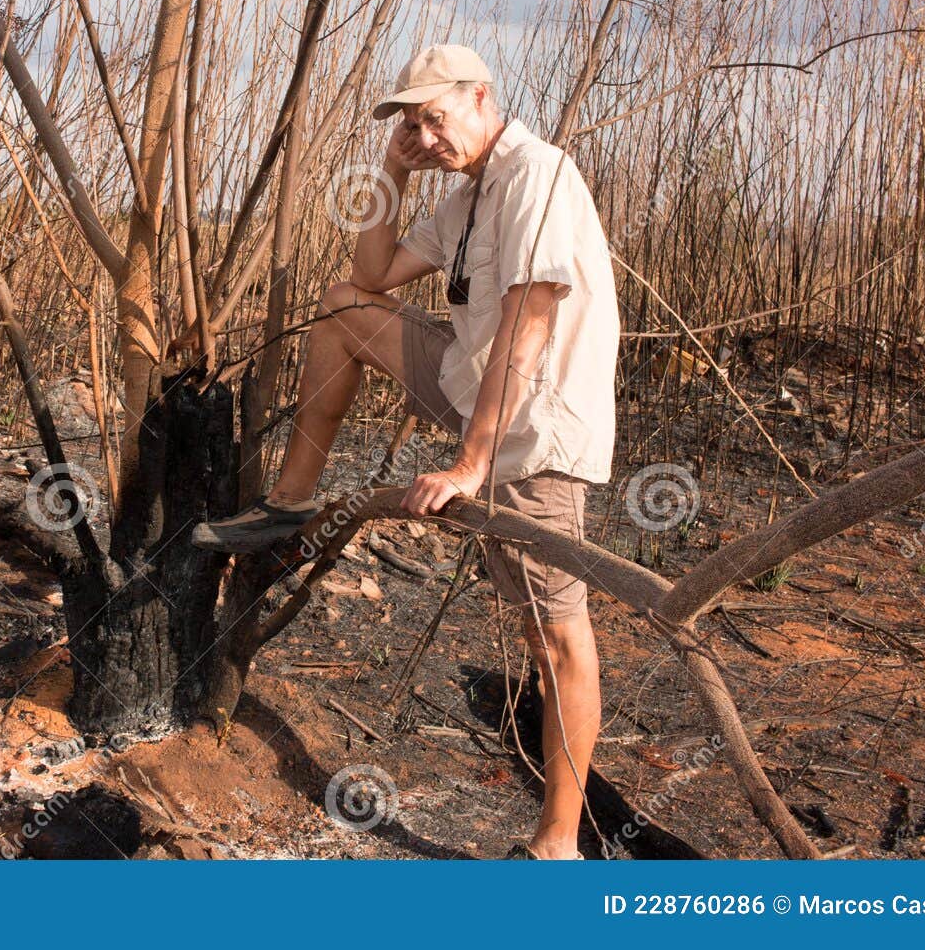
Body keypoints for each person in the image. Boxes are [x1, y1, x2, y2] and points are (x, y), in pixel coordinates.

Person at [191, 44, 620, 860]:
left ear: (482, 96)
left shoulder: (540, 175)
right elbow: (374, 272)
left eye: (436, 117)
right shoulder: (468, 193)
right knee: (344, 305)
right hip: (472, 391)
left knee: (557, 638)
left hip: (535, 437)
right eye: (414, 122)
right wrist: (391, 168)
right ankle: (290, 498)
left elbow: (528, 330)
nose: (427, 133)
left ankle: (558, 843)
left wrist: (470, 464)